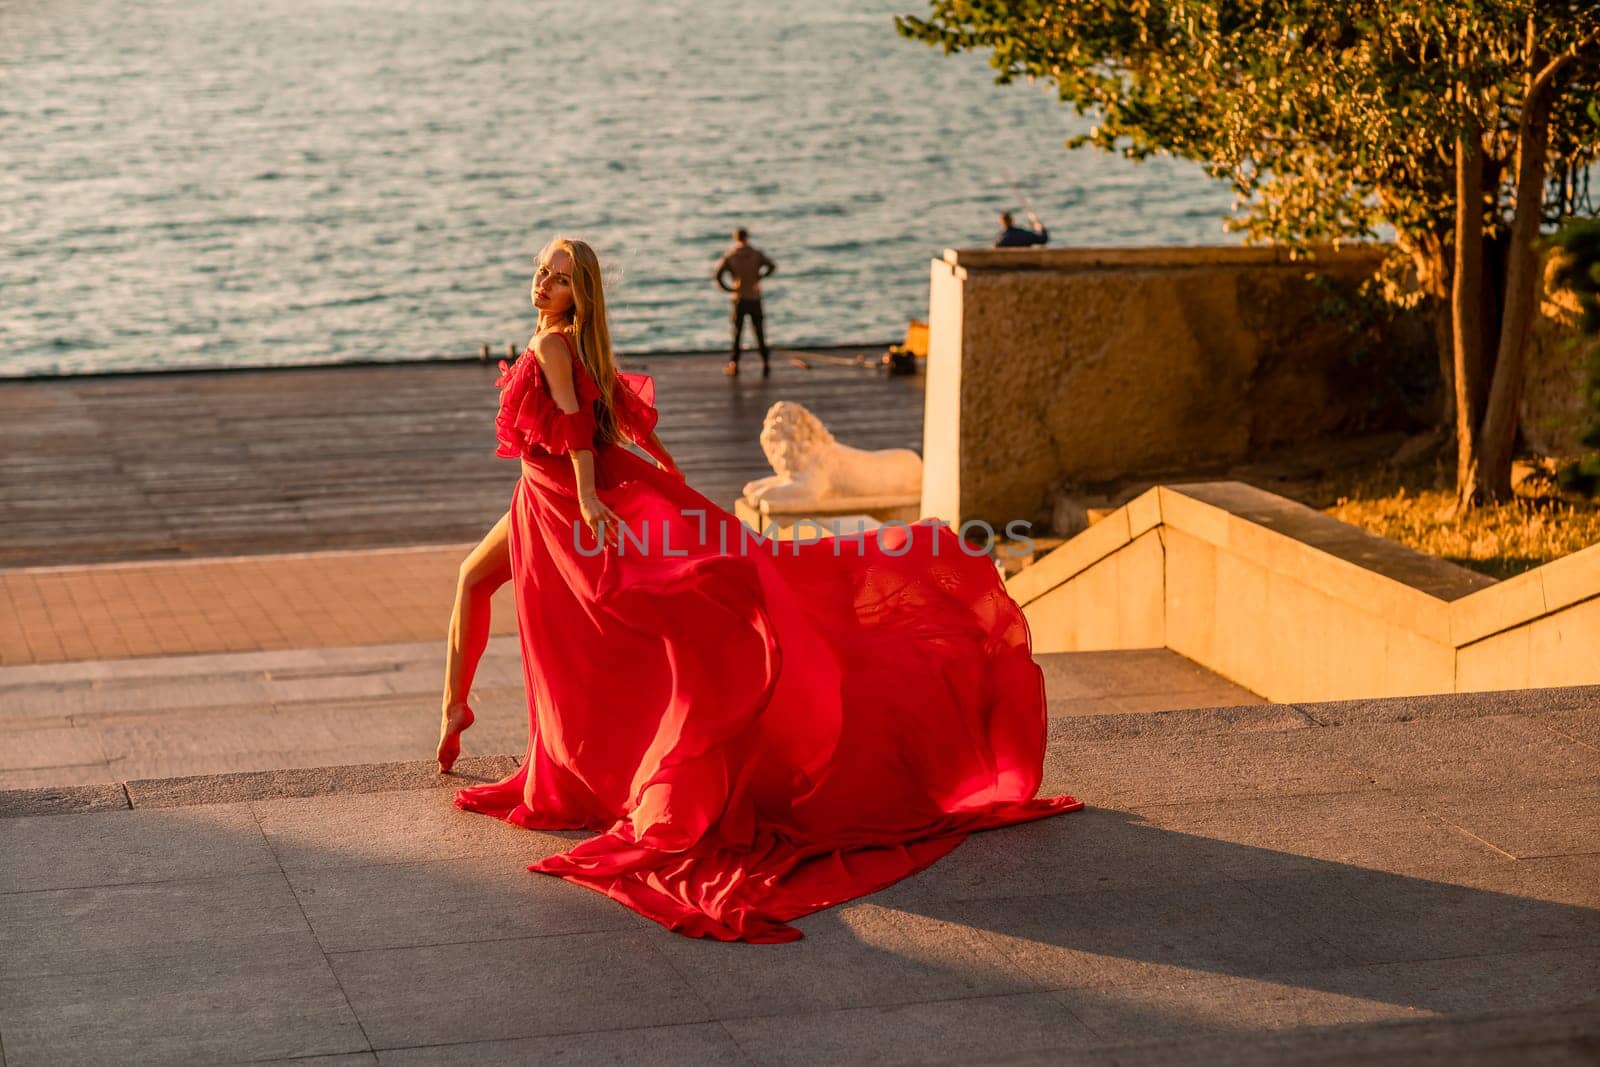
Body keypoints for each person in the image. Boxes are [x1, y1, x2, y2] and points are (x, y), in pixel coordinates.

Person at [435, 235, 1082, 943]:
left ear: (578, 294)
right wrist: (660, 464)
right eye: (541, 272)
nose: (542, 284)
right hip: (546, 495)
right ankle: (456, 712)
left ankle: (463, 716)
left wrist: (592, 499)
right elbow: (610, 410)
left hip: (564, 499)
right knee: (498, 586)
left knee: (596, 610)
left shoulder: (557, 345)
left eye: (557, 279)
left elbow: (573, 432)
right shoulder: (565, 340)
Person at [713, 227, 776, 377]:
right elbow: (771, 266)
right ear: (747, 238)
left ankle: (734, 364)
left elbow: (717, 275)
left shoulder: (731, 255)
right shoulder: (756, 254)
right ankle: (766, 362)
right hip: (754, 297)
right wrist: (760, 277)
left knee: (737, 333)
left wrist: (729, 289)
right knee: (759, 331)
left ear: (735, 238)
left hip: (739, 297)